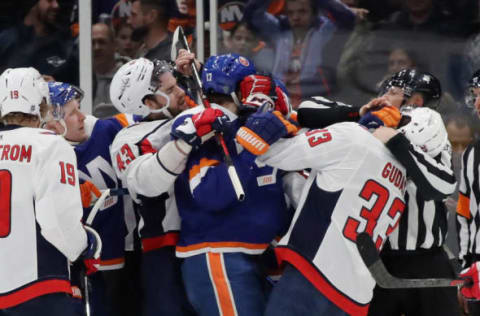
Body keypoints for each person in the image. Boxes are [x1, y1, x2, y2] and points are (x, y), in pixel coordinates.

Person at [232, 97, 414, 315]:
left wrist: (258, 127)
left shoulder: (352, 136)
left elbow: (275, 154)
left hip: (315, 272)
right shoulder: (401, 173)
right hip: (357, 294)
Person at [171, 53, 293, 316]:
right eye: (249, 83)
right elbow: (211, 194)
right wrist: (250, 145)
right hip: (218, 253)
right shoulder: (202, 124)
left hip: (259, 254)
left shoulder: (251, 122)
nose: (257, 88)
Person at [0, 67, 100, 315]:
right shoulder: (49, 144)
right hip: (38, 286)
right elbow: (58, 221)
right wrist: (84, 246)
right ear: (42, 103)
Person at [109, 57, 199, 316]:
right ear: (148, 103)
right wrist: (203, 111)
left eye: (178, 85)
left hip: (208, 238)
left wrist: (198, 75)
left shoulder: (191, 115)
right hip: (163, 250)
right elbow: (146, 183)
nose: (181, 92)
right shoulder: (128, 138)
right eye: (170, 90)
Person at [42, 80, 140, 316]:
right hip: (79, 264)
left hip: (130, 252)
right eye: (73, 113)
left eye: (79, 109)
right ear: (54, 123)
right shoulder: (43, 157)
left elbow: (149, 118)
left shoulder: (105, 130)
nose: (83, 117)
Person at [243, 0, 356, 107]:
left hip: (315, 101)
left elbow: (348, 18)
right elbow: (251, 14)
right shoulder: (278, 30)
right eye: (290, 13)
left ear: (314, 13)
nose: (295, 17)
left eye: (302, 11)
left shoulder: (324, 30)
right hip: (279, 101)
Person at [0, 0, 79, 85]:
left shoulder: (67, 47)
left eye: (58, 1)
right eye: (49, 0)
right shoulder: (7, 39)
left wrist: (56, 88)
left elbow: (80, 89)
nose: (55, 5)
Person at [457, 69, 480, 316]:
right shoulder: (471, 153)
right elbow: (465, 213)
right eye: (475, 95)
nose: (477, 103)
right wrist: (465, 269)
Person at [92, 22, 130, 117]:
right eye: (92, 43)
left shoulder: (129, 76)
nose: (96, 47)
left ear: (115, 45)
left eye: (101, 42)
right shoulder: (80, 77)